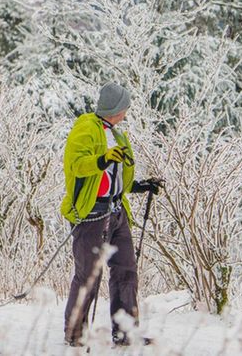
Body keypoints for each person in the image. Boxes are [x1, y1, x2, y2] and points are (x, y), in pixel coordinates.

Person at [59, 82, 163, 347]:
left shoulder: (117, 135)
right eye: (124, 107)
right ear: (115, 108)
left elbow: (117, 176)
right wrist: (102, 159)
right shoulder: (85, 129)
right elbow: (77, 166)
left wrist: (140, 186)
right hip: (92, 213)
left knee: (126, 270)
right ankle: (75, 333)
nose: (126, 112)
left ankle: (126, 331)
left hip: (117, 210)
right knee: (88, 275)